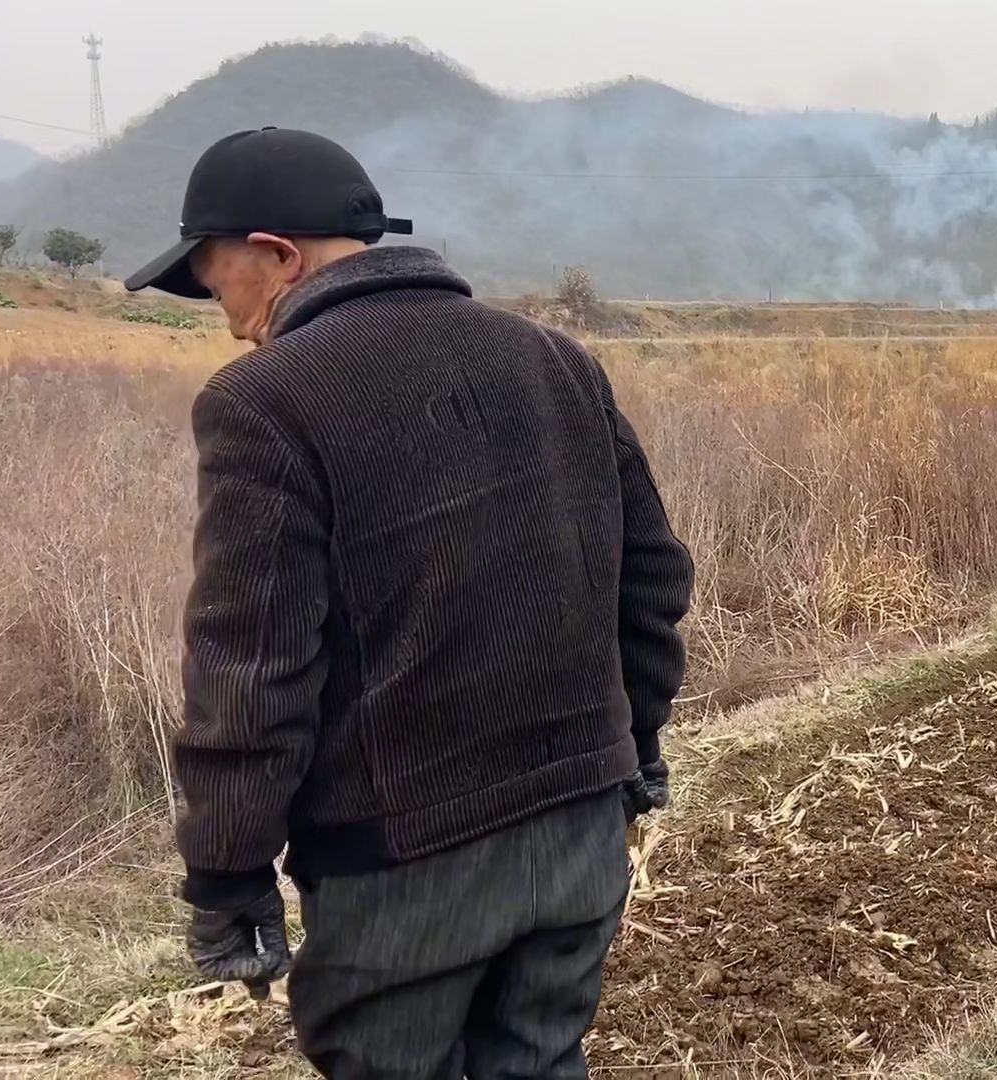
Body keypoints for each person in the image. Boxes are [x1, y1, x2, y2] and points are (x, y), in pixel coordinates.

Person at [125, 126, 695, 1079]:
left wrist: (226, 872)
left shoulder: (266, 400)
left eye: (218, 281)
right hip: (580, 838)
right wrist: (634, 749)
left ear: (277, 253)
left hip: (402, 869)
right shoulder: (555, 360)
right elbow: (653, 580)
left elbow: (251, 667)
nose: (225, 317)